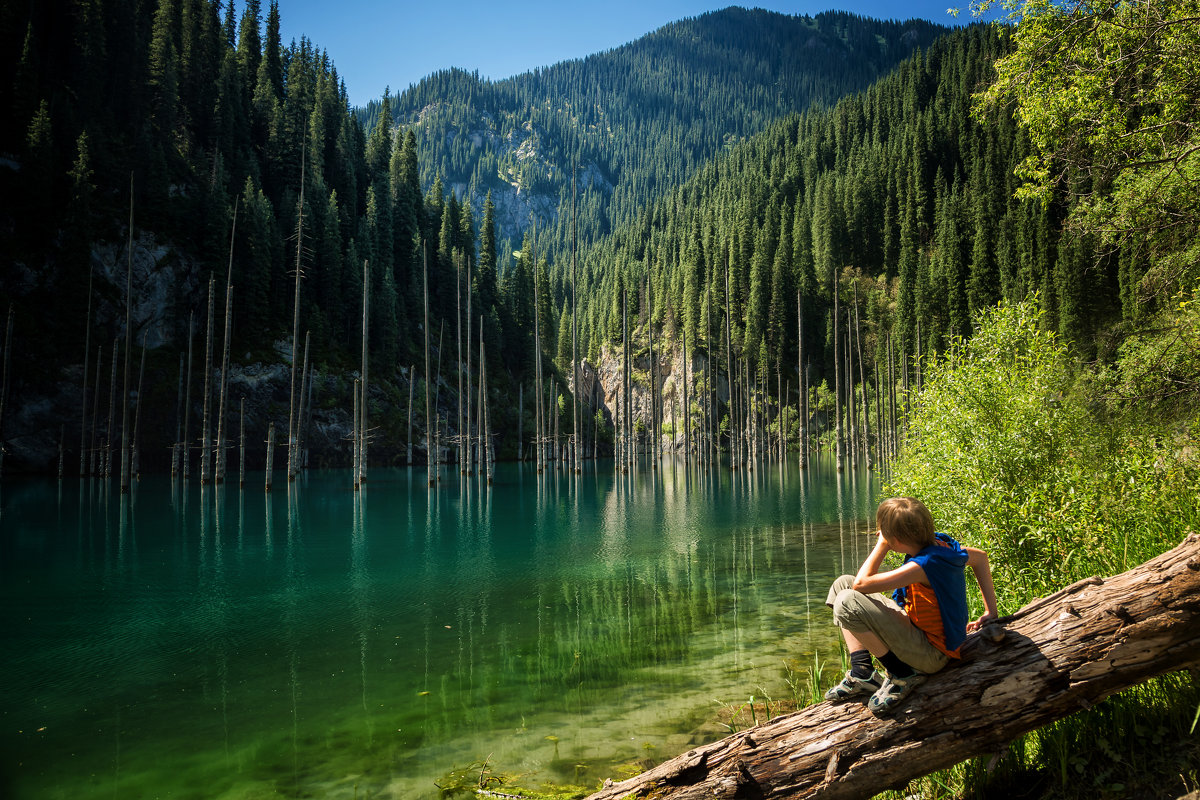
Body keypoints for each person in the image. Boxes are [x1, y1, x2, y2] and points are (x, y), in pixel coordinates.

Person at [823, 496, 998, 715]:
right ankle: (863, 673)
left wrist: (882, 545)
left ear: (895, 539)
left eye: (886, 535)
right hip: (918, 631)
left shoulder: (924, 565)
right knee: (842, 585)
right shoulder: (941, 548)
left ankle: (902, 675)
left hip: (932, 655)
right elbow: (980, 558)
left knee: (847, 601)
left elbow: (861, 584)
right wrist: (991, 610)